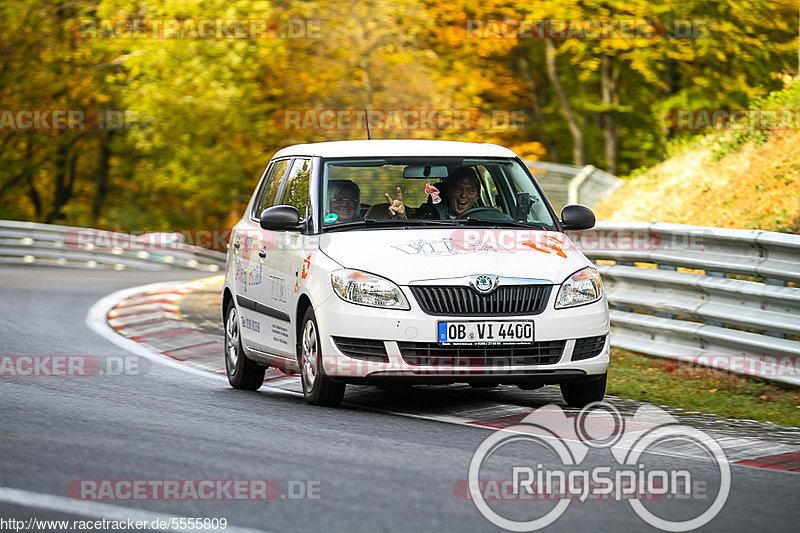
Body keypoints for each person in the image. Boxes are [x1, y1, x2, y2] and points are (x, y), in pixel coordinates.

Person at [384, 167, 481, 220]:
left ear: (477, 196)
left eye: (470, 190)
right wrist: (401, 218)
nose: (463, 195)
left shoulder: (487, 220)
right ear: (448, 192)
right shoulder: (428, 215)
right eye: (458, 189)